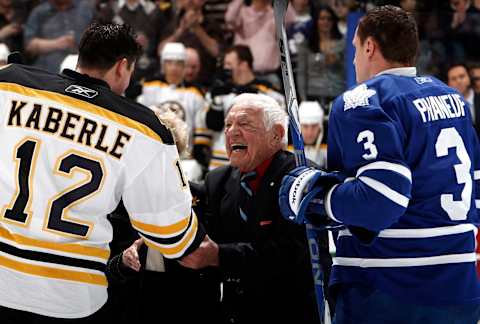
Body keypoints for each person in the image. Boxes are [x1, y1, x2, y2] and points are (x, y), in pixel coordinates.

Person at [279, 5, 480, 323]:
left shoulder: (363, 99)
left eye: (356, 48)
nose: (355, 58)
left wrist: (317, 197)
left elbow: (380, 201)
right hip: (460, 289)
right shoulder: (453, 99)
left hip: (387, 289)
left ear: (369, 46)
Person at [0, 23, 207, 323]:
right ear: (123, 66)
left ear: (80, 55)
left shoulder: (9, 85)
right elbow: (174, 236)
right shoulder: (144, 129)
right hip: (73, 296)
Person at [182, 93, 329, 324]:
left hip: (291, 312)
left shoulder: (301, 180)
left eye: (244, 123)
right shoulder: (217, 180)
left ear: (276, 135)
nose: (232, 132)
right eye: (228, 124)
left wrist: (221, 256)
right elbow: (199, 232)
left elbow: (293, 254)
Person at [194, 45, 284, 170]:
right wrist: (216, 101)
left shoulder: (269, 95)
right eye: (225, 64)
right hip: (219, 163)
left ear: (244, 64)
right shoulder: (217, 92)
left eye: (229, 64)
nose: (226, 68)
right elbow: (210, 125)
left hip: (255, 164)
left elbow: (279, 129)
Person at [447, 62, 480, 136]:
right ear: (448, 83)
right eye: (453, 79)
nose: (458, 81)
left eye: (462, 76)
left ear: (469, 78)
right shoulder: (446, 105)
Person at [298, 100, 327, 168]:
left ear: (320, 127)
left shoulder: (328, 151)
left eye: (314, 126)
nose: (309, 132)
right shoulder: (287, 150)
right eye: (305, 126)